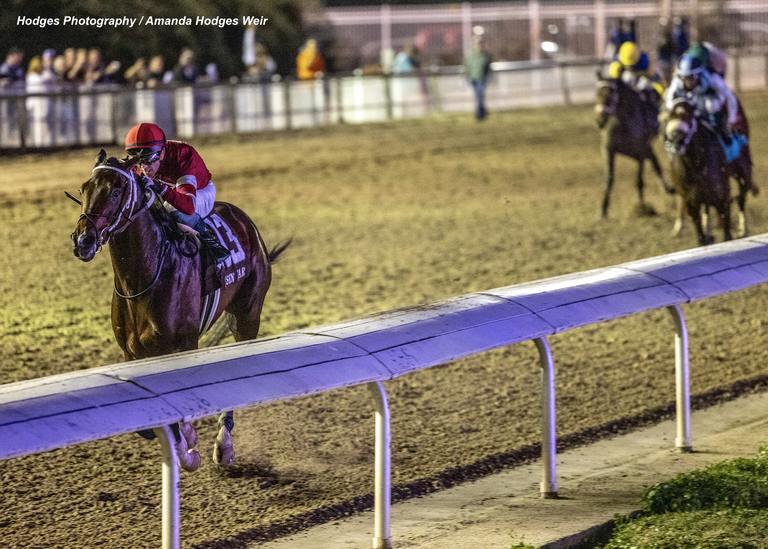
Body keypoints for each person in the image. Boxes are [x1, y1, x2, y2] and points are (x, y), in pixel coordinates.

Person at [123, 122, 229, 262]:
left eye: (148, 160)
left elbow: (188, 207)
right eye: (138, 161)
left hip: (200, 191)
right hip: (172, 191)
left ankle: (213, 246)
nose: (144, 168)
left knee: (174, 212)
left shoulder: (182, 156)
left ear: (161, 152)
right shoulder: (148, 157)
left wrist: (160, 187)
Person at [664, 45, 742, 157]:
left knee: (711, 105)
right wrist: (680, 106)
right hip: (687, 104)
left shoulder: (713, 79)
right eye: (685, 78)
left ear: (698, 74)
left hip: (708, 103)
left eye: (691, 77)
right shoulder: (677, 82)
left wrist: (731, 119)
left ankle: (726, 140)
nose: (688, 81)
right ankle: (670, 141)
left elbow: (730, 98)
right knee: (667, 118)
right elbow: (669, 99)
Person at [464, 35, 492, 121]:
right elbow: (467, 66)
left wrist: (488, 76)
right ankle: (482, 112)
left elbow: (488, 67)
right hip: (473, 78)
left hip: (482, 78)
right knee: (478, 96)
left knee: (480, 95)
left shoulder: (486, 55)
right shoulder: (471, 55)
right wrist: (467, 77)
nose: (479, 45)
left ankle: (479, 114)